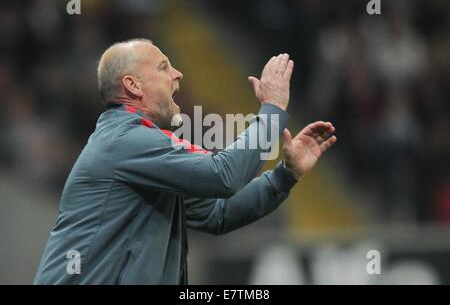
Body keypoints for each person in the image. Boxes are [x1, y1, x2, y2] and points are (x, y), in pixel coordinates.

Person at [34, 38, 336, 284]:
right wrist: (271, 109)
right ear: (133, 86)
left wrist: (286, 175)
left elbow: (219, 213)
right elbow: (224, 176)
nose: (177, 73)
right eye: (164, 66)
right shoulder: (125, 141)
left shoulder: (141, 148)